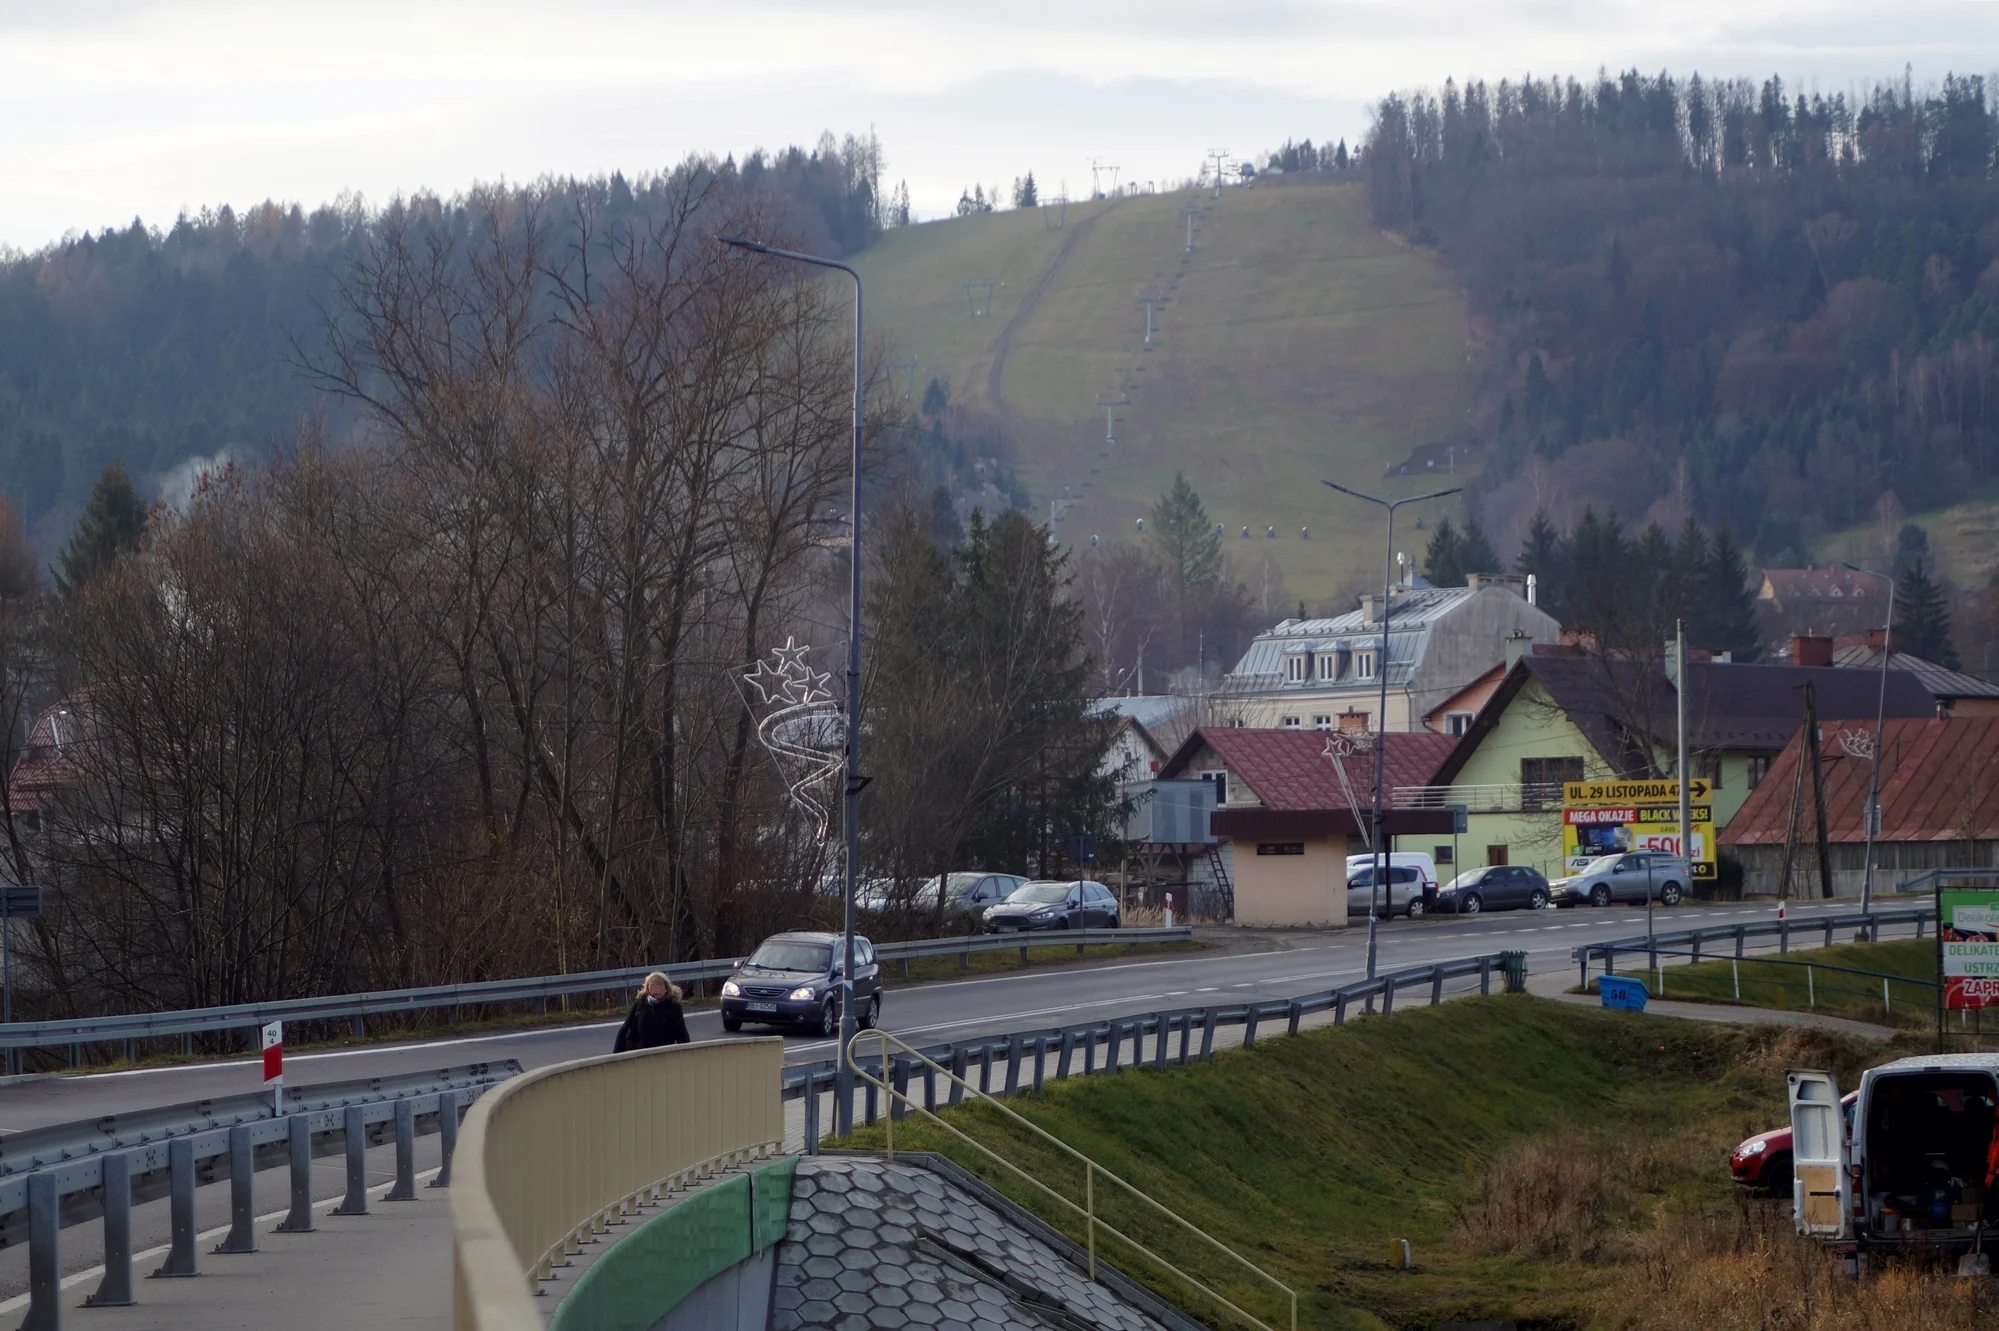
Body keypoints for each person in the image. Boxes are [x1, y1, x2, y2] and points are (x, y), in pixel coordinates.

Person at [613, 972, 691, 1052]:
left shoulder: (673, 1007)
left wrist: (687, 1054)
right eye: (652, 985)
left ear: (666, 988)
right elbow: (624, 1029)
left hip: (664, 1054)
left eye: (659, 985)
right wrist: (616, 1055)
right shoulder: (640, 1004)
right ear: (647, 988)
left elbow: (682, 1034)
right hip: (640, 1053)